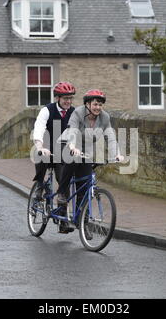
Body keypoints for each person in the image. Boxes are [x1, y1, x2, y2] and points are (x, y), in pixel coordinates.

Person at [56, 89, 124, 234]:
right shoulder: (78, 113)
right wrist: (73, 146)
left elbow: (110, 137)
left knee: (85, 186)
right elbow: (73, 131)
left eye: (100, 105)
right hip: (66, 144)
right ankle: (62, 193)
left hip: (84, 150)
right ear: (87, 104)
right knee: (72, 159)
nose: (98, 107)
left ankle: (83, 223)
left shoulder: (104, 118)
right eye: (95, 104)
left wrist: (117, 154)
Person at [32, 82, 76, 204]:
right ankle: (40, 185)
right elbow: (39, 128)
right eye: (65, 98)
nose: (68, 101)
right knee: (40, 155)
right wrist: (40, 147)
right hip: (47, 146)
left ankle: (63, 219)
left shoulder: (74, 112)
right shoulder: (47, 110)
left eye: (70, 98)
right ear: (57, 98)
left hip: (63, 149)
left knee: (64, 179)